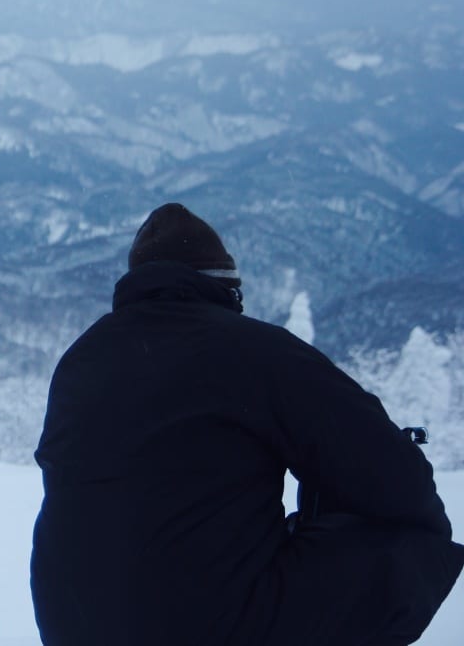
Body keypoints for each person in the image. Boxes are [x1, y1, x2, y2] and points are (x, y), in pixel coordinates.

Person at [30, 202, 464, 646]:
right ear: (225, 287)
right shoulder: (253, 350)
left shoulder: (80, 359)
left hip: (70, 628)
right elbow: (395, 475)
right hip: (210, 628)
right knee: (410, 549)